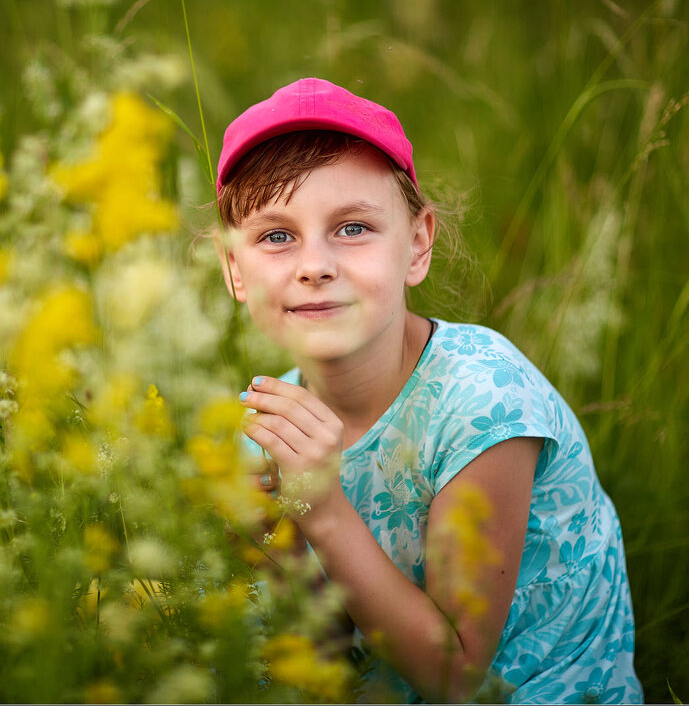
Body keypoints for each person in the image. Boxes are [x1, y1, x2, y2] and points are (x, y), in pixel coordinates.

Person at [215, 78, 643, 703]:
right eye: (277, 237)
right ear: (235, 270)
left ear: (417, 244)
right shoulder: (271, 425)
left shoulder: (483, 401)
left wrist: (324, 509)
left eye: (353, 228)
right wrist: (280, 551)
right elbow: (326, 652)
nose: (315, 265)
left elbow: (457, 678)